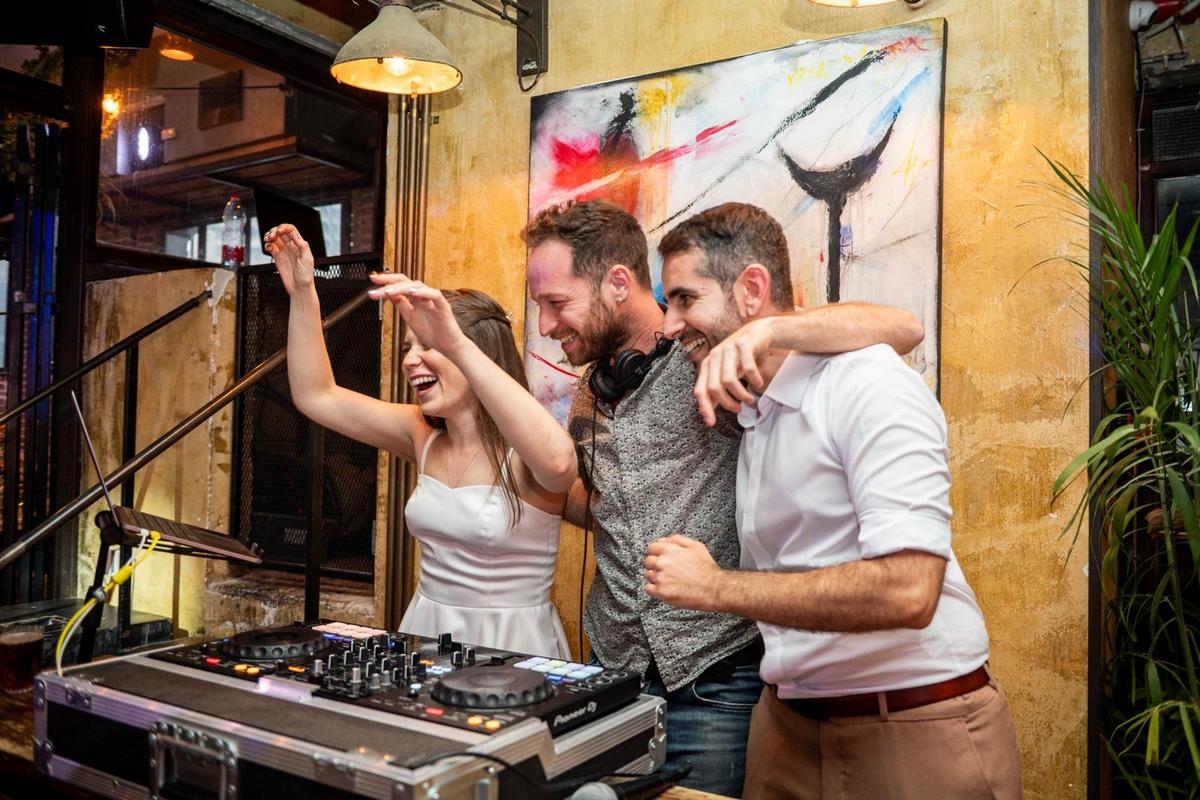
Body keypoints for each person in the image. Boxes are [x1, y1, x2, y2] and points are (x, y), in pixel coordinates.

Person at [521, 199, 925, 796]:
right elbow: (611, 505)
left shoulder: (712, 355)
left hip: (714, 676)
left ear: (617, 284)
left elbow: (902, 328)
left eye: (556, 303)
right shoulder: (591, 390)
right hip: (616, 671)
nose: (545, 324)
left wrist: (767, 330)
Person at [645, 202, 1021, 799]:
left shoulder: (866, 383)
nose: (669, 325)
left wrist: (714, 587)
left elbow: (908, 590)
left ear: (751, 290)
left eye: (685, 299)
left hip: (910, 725)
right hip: (786, 726)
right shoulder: (757, 411)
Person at [265, 223, 574, 658]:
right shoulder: (421, 433)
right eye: (409, 348)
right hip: (426, 633)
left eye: (428, 345)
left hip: (509, 646)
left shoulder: (526, 450)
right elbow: (317, 396)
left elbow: (560, 467)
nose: (411, 361)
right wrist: (303, 294)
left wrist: (457, 344)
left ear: (476, 352)